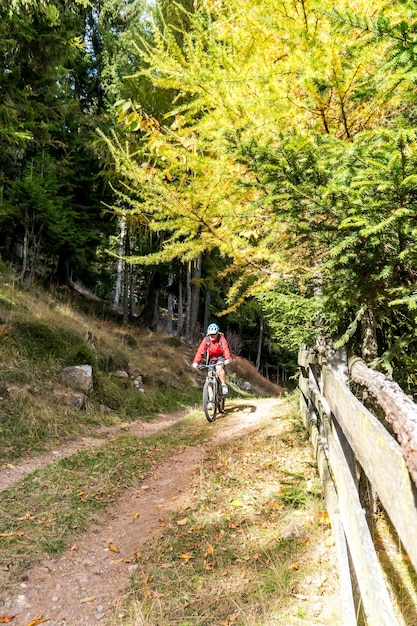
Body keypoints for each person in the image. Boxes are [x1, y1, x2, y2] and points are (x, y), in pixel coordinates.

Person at [192, 323, 232, 397]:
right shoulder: (206, 340)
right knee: (209, 378)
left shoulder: (221, 338)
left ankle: (223, 385)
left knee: (219, 368)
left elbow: (226, 349)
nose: (212, 336)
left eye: (214, 334)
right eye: (211, 334)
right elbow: (200, 351)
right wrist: (196, 362)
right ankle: (210, 400)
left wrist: (227, 359)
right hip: (211, 359)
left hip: (220, 357)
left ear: (217, 333)